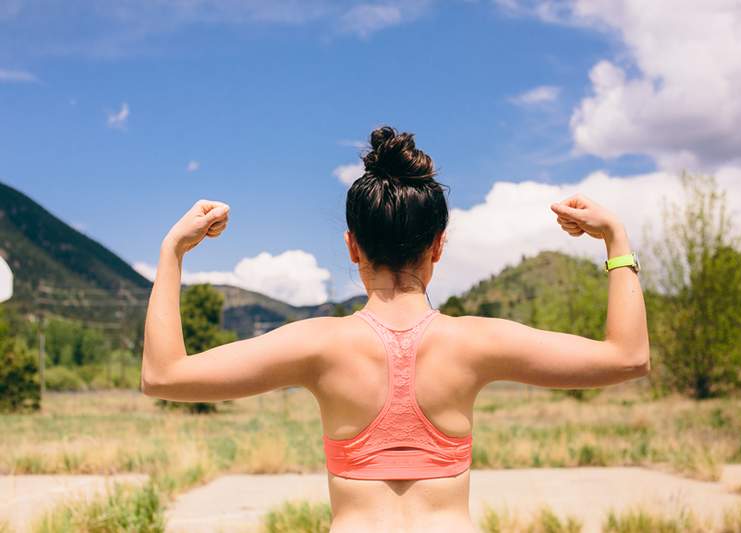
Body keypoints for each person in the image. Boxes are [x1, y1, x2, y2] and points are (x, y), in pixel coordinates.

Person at [141, 125, 650, 532]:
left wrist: (172, 251)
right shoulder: (475, 341)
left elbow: (163, 375)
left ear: (352, 247)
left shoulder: (318, 345)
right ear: (438, 247)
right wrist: (616, 239)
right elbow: (628, 357)